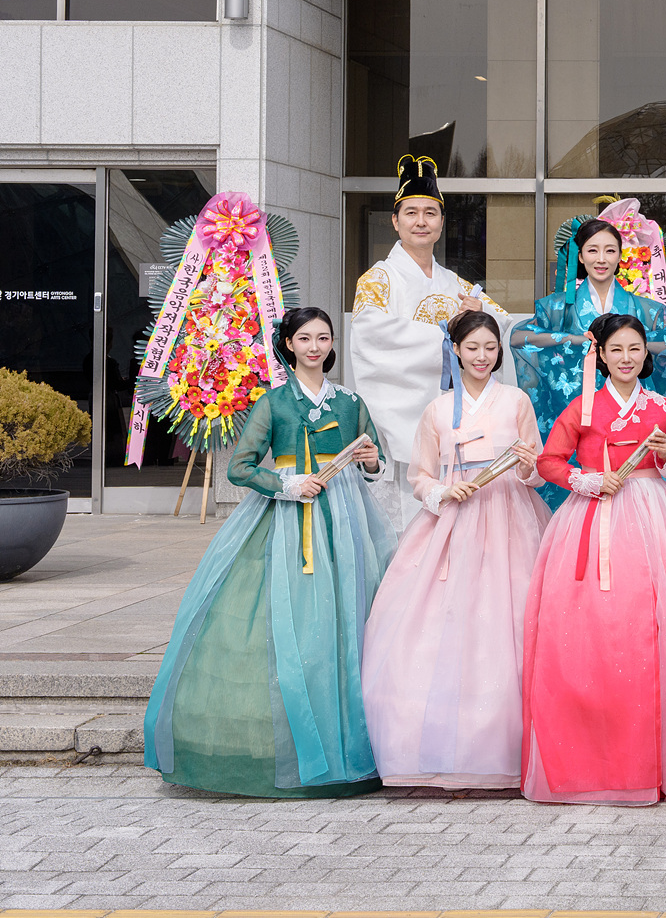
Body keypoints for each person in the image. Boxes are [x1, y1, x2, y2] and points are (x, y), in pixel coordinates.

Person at [143, 308, 391, 798]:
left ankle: (355, 748)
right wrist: (287, 484)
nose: (315, 347)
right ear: (289, 344)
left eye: (323, 338)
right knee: (294, 618)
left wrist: (370, 460)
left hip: (346, 520)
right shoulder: (273, 402)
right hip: (287, 519)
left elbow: (376, 463)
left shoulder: (350, 401)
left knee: (349, 617)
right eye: (305, 338)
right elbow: (240, 467)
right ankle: (293, 748)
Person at [360, 310, 550, 790]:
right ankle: (439, 740)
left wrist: (527, 465)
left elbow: (536, 470)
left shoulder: (517, 401)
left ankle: (508, 742)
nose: (482, 356)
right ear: (456, 352)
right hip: (452, 520)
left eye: (490, 347)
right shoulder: (438, 409)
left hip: (510, 517)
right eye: (472, 348)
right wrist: (442, 492)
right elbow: (419, 474)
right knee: (440, 620)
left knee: (510, 618)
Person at [520, 313, 666, 806]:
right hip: (593, 514)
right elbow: (548, 461)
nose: (626, 358)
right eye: (616, 349)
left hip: (652, 520)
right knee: (591, 631)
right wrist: (588, 480)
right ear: (600, 354)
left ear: (646, 355)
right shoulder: (583, 408)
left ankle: (650, 760)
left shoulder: (662, 408)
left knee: (651, 631)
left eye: (634, 349)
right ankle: (589, 759)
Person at [349, 154, 514, 533]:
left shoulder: (455, 283)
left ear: (442, 222)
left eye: (430, 213)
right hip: (405, 415)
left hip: (455, 419)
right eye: (411, 213)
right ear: (395, 221)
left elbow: (499, 324)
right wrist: (449, 334)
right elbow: (372, 335)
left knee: (459, 522)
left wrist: (479, 317)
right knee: (407, 527)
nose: (421, 221)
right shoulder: (378, 279)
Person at [512, 215, 666, 514]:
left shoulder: (646, 309)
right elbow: (520, 338)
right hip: (578, 410)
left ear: (620, 256)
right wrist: (571, 340)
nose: (601, 259)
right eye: (592, 250)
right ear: (580, 255)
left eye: (610, 250)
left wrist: (634, 345)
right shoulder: (555, 307)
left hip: (631, 409)